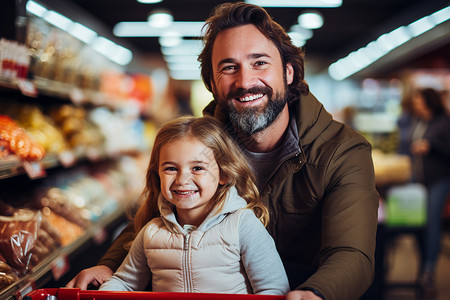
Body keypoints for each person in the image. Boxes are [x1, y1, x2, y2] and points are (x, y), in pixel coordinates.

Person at [67, 3, 379, 300]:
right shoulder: (199, 145)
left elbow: (351, 253)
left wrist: (317, 292)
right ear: (213, 85)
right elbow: (156, 217)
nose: (245, 81)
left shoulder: (342, 151)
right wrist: (109, 265)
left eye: (260, 62)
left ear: (289, 72)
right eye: (229, 68)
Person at [99, 116, 290, 294]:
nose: (182, 179)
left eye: (197, 168)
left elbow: (273, 289)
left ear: (224, 174)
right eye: (171, 168)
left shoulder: (243, 225)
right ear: (157, 174)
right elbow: (125, 283)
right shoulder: (151, 233)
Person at [409, 88, 450, 297]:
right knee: (419, 224)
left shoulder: (444, 123)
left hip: (439, 180)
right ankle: (422, 268)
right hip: (419, 180)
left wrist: (431, 146)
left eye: (420, 101)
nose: (417, 105)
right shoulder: (419, 121)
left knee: (432, 223)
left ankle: (429, 272)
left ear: (429, 102)